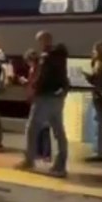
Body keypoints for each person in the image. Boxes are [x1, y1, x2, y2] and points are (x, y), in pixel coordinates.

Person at [18, 31, 70, 177]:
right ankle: (60, 165)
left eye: (40, 41)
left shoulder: (46, 57)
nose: (39, 44)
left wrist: (33, 87)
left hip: (45, 96)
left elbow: (42, 78)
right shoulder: (60, 56)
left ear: (45, 40)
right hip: (57, 97)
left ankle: (29, 160)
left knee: (32, 128)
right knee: (58, 131)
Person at [20, 50, 51, 162]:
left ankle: (43, 153)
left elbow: (35, 84)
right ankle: (41, 152)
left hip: (39, 99)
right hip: (38, 99)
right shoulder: (37, 69)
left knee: (40, 127)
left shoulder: (38, 70)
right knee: (40, 127)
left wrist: (26, 82)